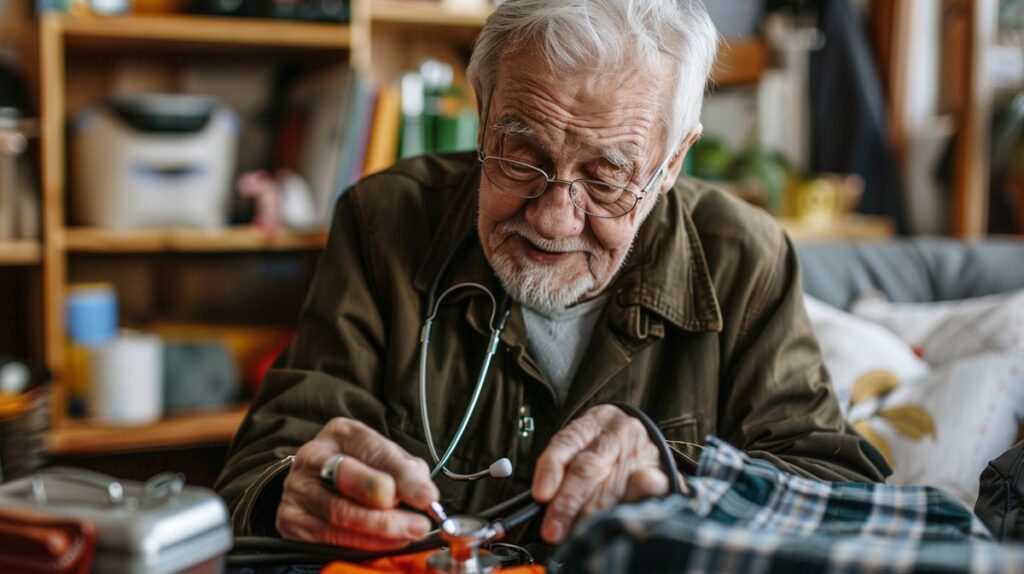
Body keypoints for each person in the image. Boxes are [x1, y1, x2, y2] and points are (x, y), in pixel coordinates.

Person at [215, 0, 889, 552]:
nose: (554, 216)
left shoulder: (744, 260)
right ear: (482, 114)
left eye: (605, 176)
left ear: (674, 161)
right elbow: (259, 468)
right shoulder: (383, 223)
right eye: (520, 155)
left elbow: (847, 495)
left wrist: (680, 480)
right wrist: (293, 491)